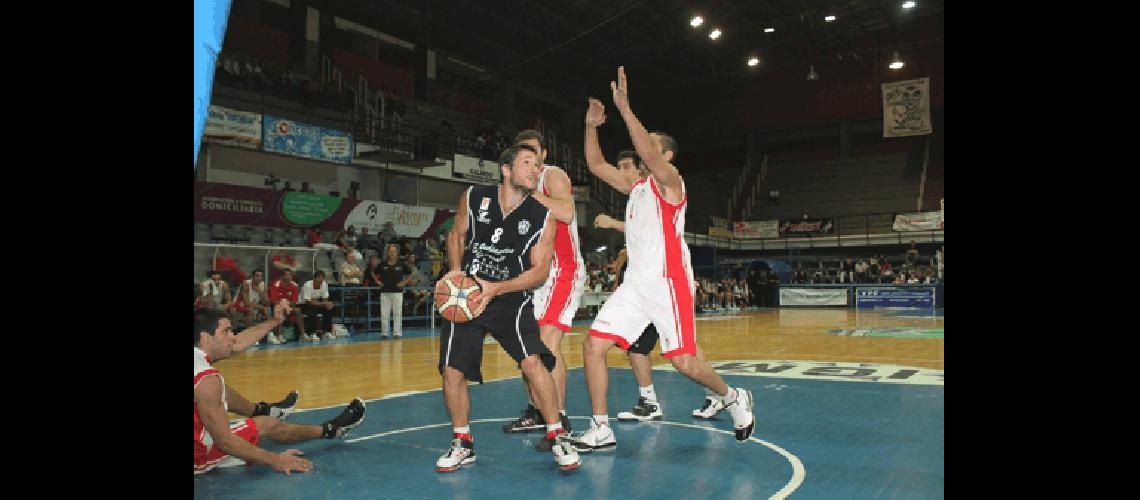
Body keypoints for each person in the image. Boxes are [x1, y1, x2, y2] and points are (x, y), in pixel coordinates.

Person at [572, 69, 755, 453]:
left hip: (667, 282)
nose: (642, 151)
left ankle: (733, 396)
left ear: (665, 155)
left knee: (685, 363)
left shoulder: (673, 183)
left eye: (650, 147)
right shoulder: (636, 187)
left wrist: (624, 108)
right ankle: (600, 427)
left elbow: (649, 153)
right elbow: (595, 165)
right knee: (593, 346)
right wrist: (590, 126)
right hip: (635, 285)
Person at [434, 144, 580, 473]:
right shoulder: (473, 196)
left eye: (538, 164)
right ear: (506, 169)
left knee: (533, 363)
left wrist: (497, 288)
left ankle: (557, 434)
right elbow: (457, 234)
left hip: (510, 298)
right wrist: (456, 273)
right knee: (452, 371)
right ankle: (462, 442)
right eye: (527, 163)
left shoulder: (543, 216)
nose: (535, 169)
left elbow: (540, 271)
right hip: (469, 295)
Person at [194, 303, 366, 475]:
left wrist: (275, 320)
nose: (233, 337)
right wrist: (275, 459)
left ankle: (263, 410)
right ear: (206, 338)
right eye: (227, 331)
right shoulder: (207, 379)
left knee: (220, 391)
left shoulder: (199, 360)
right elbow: (225, 441)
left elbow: (236, 344)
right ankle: (331, 430)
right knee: (266, 425)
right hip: (197, 457)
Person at [499, 130, 587, 450]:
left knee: (546, 347)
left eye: (535, 156)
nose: (532, 163)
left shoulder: (553, 176)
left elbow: (566, 212)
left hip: (562, 271)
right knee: (526, 348)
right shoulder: (515, 190)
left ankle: (559, 419)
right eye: (525, 157)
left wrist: (530, 191)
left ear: (545, 155)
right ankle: (538, 411)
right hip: (534, 276)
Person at [232, 269, 278, 344]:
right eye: (257, 276)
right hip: (239, 304)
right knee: (250, 310)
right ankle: (250, 337)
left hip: (254, 305)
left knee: (268, 309)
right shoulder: (246, 284)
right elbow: (246, 302)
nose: (259, 278)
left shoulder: (263, 285)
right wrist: (260, 307)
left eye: (261, 276)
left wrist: (260, 292)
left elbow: (266, 302)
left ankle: (270, 334)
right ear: (252, 277)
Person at [376, 244, 412, 339]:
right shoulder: (382, 264)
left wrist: (404, 282)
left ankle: (397, 333)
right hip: (385, 292)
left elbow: (410, 273)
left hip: (397, 292)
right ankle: (384, 333)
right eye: (390, 251)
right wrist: (377, 281)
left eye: (394, 252)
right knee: (384, 313)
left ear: (397, 253)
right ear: (387, 253)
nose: (392, 253)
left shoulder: (401, 264)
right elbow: (373, 272)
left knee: (397, 313)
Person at [299, 270, 337, 341]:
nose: (321, 279)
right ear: (314, 278)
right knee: (312, 310)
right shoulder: (307, 285)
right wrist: (323, 303)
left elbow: (325, 299)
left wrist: (328, 304)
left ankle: (327, 332)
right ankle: (312, 333)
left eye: (322, 278)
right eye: (319, 277)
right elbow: (309, 301)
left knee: (329, 309)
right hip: (303, 304)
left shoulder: (324, 284)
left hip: (317, 304)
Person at [269, 269, 305, 342]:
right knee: (281, 310)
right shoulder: (276, 284)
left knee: (298, 310)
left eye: (290, 275)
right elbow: (274, 300)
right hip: (277, 306)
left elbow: (294, 301)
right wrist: (283, 305)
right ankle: (280, 335)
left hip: (289, 306)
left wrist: (286, 304)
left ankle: (303, 334)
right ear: (282, 276)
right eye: (286, 274)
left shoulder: (294, 285)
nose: (288, 276)